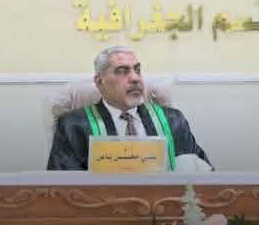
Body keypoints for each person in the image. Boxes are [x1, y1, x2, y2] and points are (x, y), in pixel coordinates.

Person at [47, 46, 211, 171]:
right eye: (122, 71)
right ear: (99, 82)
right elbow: (62, 189)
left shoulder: (172, 120)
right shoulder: (73, 125)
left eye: (137, 70)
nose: (135, 78)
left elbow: (203, 178)